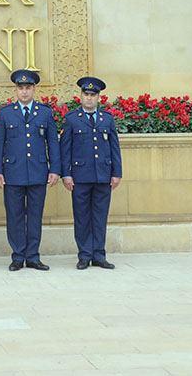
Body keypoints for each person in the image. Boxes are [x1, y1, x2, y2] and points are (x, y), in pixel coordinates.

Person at [0, 70, 60, 272]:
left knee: (35, 216)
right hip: (12, 173)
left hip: (38, 172)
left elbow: (53, 143)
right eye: (20, 88)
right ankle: (18, 256)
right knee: (14, 216)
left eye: (28, 88)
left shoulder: (45, 113)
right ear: (16, 90)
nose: (24, 92)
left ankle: (33, 256)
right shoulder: (6, 113)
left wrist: (55, 169)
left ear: (34, 89)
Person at [61, 76, 123, 270]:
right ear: (80, 96)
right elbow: (66, 150)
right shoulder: (72, 119)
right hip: (80, 177)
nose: (89, 98)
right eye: (86, 94)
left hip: (103, 176)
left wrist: (117, 173)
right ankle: (84, 254)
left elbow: (114, 148)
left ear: (98, 97)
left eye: (93, 95)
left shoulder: (107, 119)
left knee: (100, 216)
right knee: (81, 217)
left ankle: (99, 254)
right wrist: (66, 174)